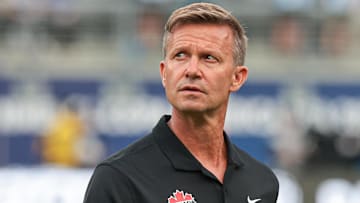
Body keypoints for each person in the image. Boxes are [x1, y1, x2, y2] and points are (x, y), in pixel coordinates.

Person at [83, 2, 279, 203]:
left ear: (237, 78)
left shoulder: (262, 183)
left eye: (209, 58)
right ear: (164, 73)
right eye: (180, 55)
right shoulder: (119, 179)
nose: (192, 70)